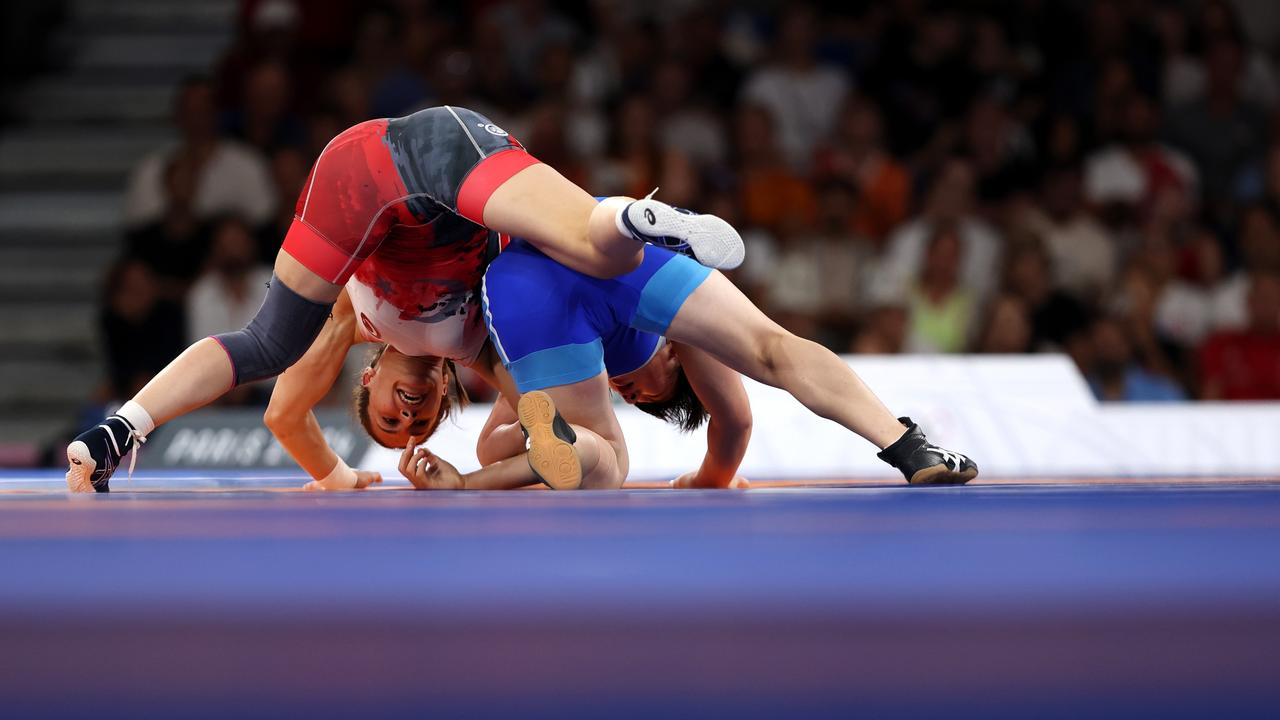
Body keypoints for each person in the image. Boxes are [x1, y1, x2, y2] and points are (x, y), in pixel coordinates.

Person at [66, 106, 745, 492]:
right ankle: (636, 218)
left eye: (390, 419)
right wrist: (505, 466)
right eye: (415, 427)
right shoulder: (485, 345)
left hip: (371, 174)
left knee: (271, 343)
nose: (410, 422)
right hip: (451, 175)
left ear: (372, 374)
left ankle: (123, 424)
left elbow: (284, 415)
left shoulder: (353, 320)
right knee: (607, 453)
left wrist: (334, 477)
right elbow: (582, 449)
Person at [429, 240, 979, 490]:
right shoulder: (683, 338)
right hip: (601, 268)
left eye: (633, 399)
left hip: (526, 273)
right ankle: (906, 444)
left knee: (568, 446)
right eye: (646, 394)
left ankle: (621, 219)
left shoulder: (581, 374)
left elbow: (492, 440)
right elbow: (735, 419)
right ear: (674, 359)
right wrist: (710, 478)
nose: (625, 391)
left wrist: (531, 427)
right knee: (769, 348)